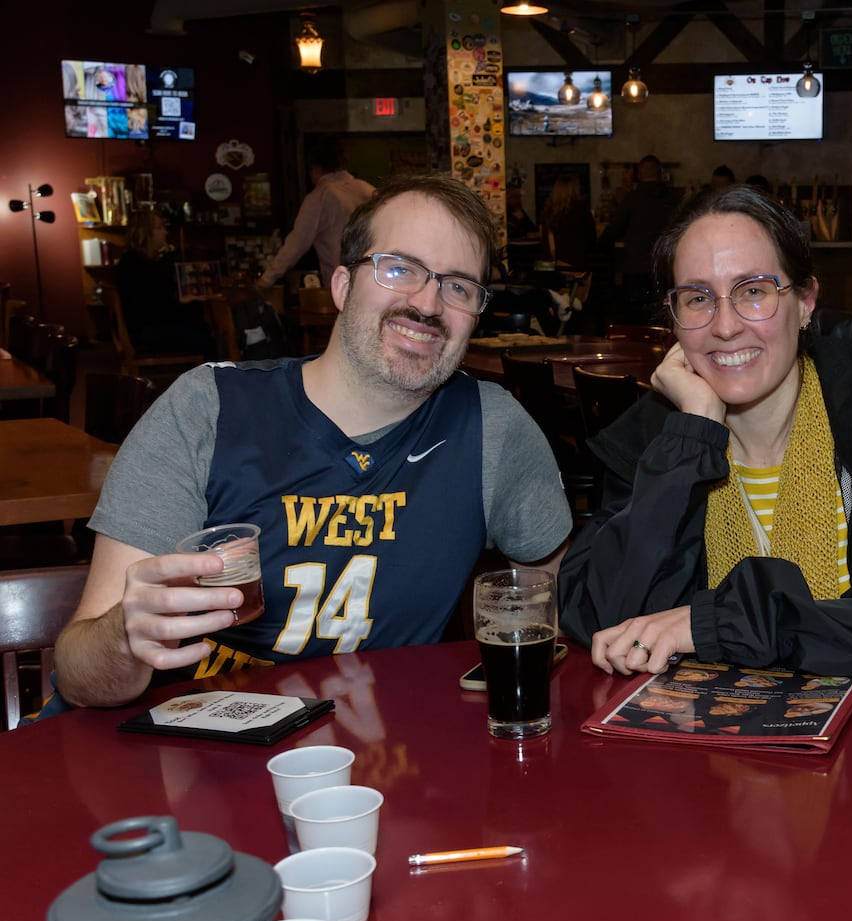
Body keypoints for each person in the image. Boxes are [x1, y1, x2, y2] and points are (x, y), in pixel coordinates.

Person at [54, 173, 572, 710]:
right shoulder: (207, 410)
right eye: (400, 269)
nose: (428, 303)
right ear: (342, 285)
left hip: (382, 769)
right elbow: (80, 678)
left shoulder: (493, 428)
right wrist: (123, 636)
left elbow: (556, 606)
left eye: (458, 286)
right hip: (192, 760)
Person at [559, 185, 852, 680]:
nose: (724, 326)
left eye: (754, 291)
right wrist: (692, 437)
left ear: (805, 302)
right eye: (698, 299)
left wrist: (716, 624)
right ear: (673, 320)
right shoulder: (657, 442)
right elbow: (600, 616)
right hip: (698, 741)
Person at [256, 136, 374, 292]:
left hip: (344, 287)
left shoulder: (320, 197)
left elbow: (296, 244)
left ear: (315, 169)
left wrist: (265, 280)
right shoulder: (367, 189)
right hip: (375, 281)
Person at [113, 208, 219, 358]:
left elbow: (157, 298)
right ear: (145, 233)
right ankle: (208, 380)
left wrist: (182, 299)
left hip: (144, 329)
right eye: (159, 227)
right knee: (207, 339)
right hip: (146, 333)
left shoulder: (134, 261)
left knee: (202, 328)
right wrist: (183, 301)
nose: (165, 232)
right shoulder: (137, 265)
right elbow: (151, 308)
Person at [597, 154, 681, 323]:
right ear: (660, 173)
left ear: (639, 174)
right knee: (666, 320)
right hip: (666, 268)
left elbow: (612, 232)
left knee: (636, 323)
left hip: (635, 270)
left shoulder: (632, 199)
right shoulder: (675, 199)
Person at [539, 172, 595, 269]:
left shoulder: (548, 210)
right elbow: (591, 239)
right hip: (574, 264)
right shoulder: (581, 208)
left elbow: (545, 242)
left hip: (547, 265)